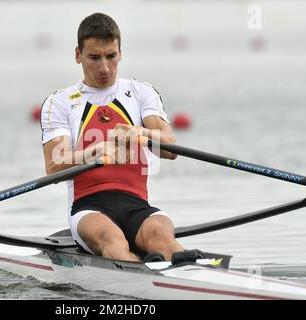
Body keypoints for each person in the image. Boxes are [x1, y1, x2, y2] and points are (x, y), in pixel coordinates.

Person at [41, 12, 193, 263]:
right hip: (88, 208)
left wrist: (141, 133)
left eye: (111, 56)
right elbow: (54, 166)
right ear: (78, 55)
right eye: (94, 58)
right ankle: (141, 279)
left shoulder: (141, 92)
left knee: (161, 234)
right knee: (113, 239)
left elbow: (170, 149)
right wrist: (96, 151)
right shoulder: (60, 102)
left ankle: (183, 271)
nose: (104, 67)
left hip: (138, 205)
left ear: (120, 52)